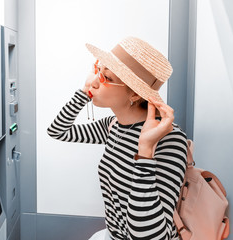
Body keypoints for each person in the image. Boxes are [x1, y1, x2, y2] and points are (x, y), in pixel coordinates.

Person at [47, 36, 188, 240]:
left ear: (135, 95)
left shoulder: (169, 140)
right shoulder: (113, 125)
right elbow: (58, 131)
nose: (95, 81)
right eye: (97, 70)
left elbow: (148, 236)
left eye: (107, 78)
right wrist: (83, 94)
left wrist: (145, 151)